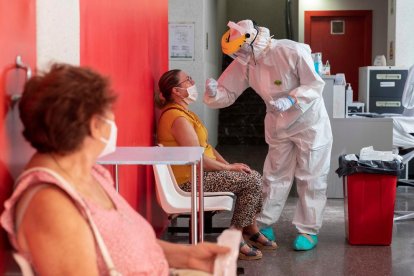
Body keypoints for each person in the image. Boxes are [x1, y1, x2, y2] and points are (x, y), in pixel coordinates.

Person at [0, 64, 230, 275]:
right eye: (109, 112)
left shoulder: (90, 173)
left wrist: (189, 257)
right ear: (93, 124)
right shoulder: (51, 205)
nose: (113, 120)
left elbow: (121, 241)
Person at [203, 19, 333, 251]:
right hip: (278, 123)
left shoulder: (290, 50)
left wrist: (292, 98)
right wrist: (215, 92)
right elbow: (228, 91)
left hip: (309, 123)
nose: (239, 55)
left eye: (241, 49)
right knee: (274, 175)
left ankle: (308, 230)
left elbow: (315, 85)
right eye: (236, 52)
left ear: (252, 40)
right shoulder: (246, 61)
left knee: (310, 175)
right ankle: (264, 223)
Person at [155, 69, 277, 260]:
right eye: (188, 80)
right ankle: (236, 235)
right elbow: (197, 158)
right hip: (190, 182)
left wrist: (230, 165)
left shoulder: (185, 113)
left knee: (248, 174)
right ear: (176, 91)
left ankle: (249, 228)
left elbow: (206, 147)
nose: (193, 82)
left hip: (199, 175)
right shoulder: (176, 118)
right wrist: (229, 169)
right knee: (252, 180)